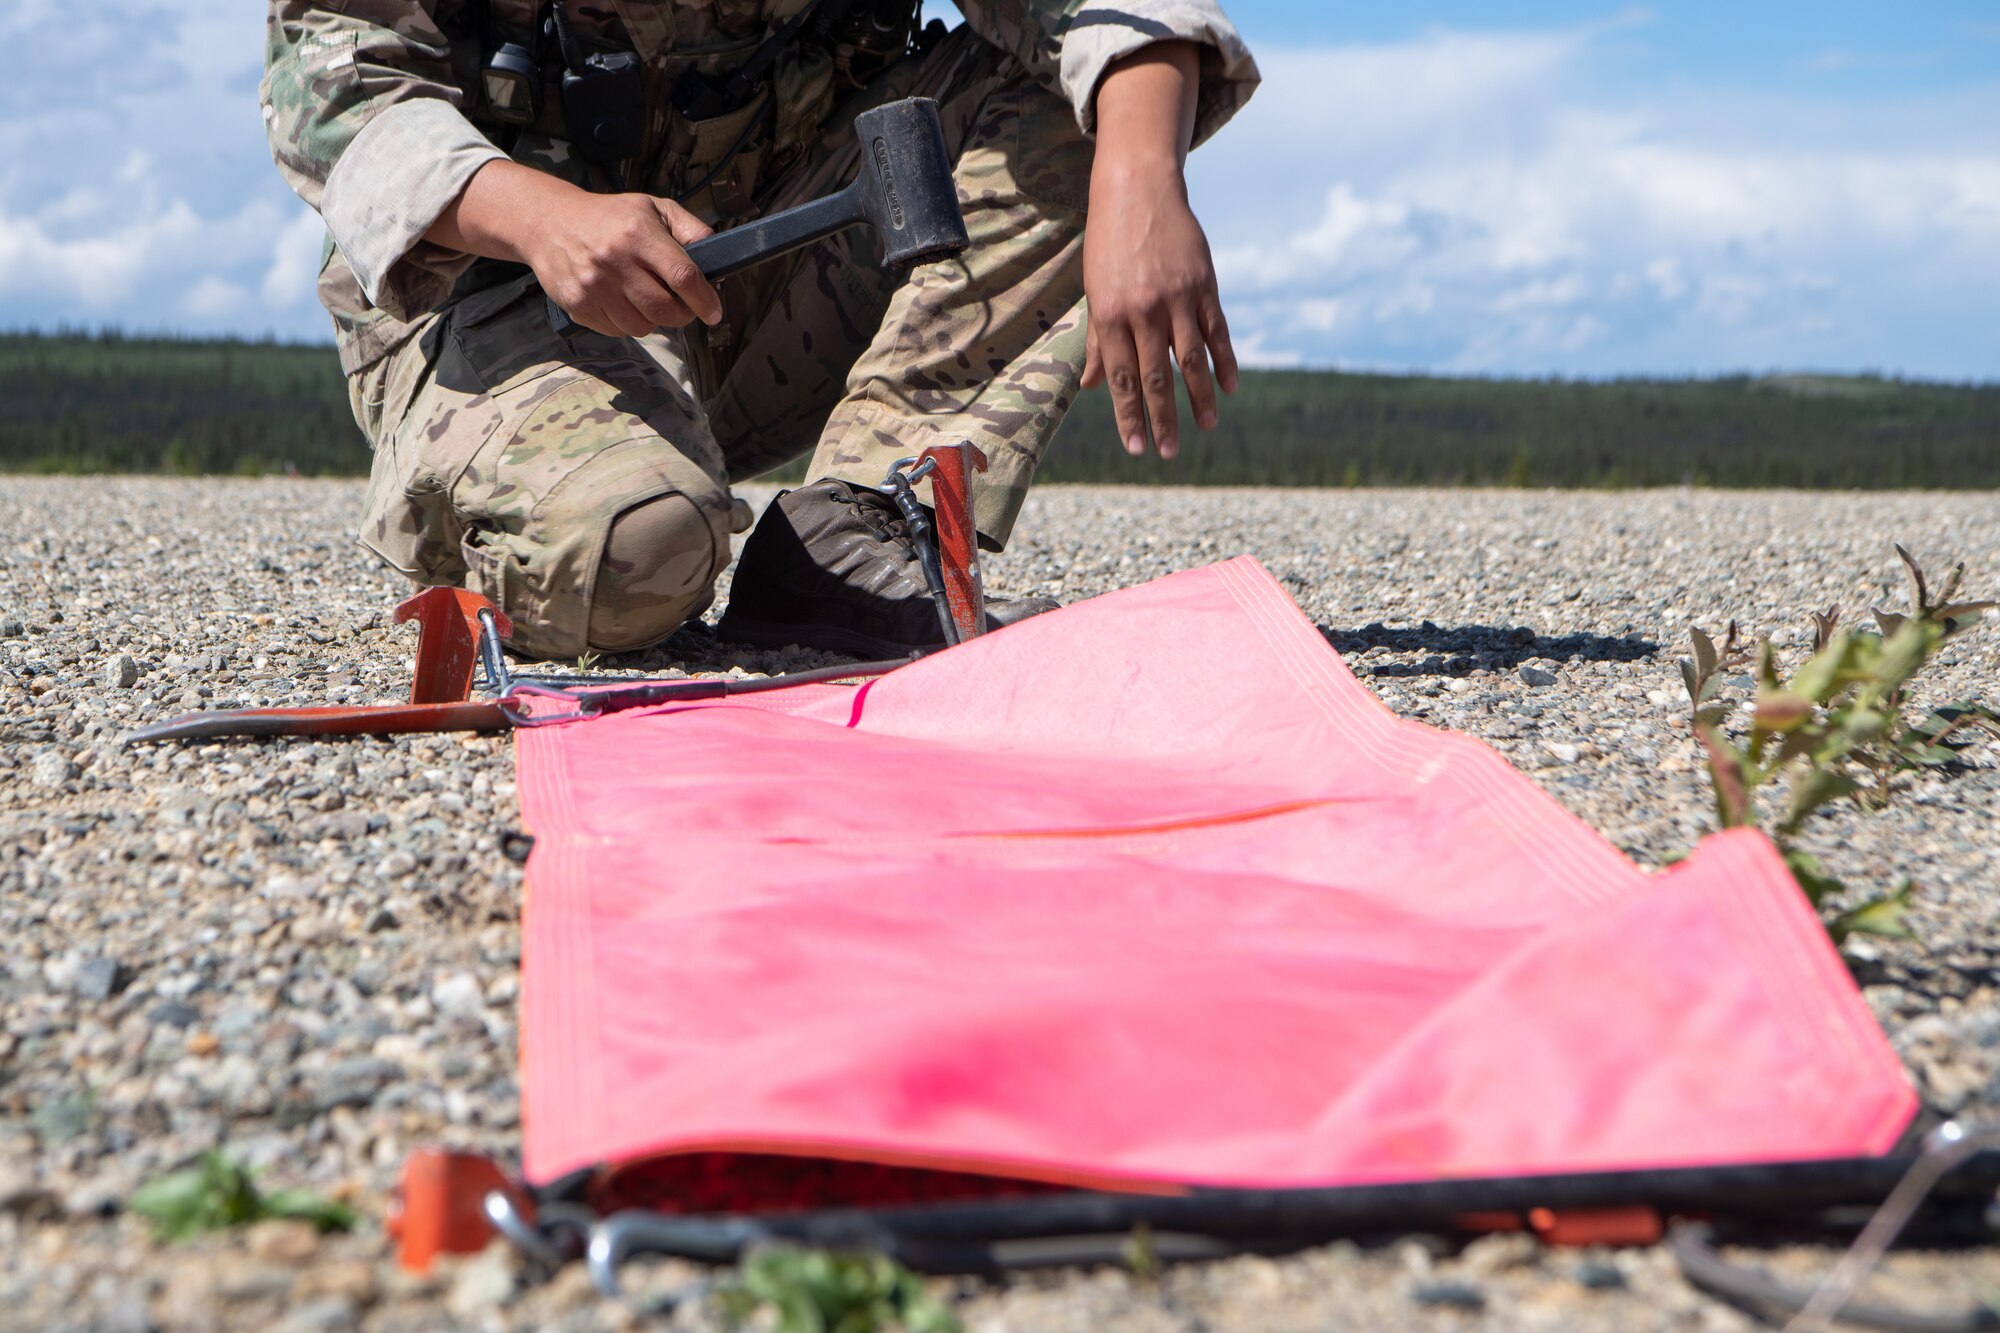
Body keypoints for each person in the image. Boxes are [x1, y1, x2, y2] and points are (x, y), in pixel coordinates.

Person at [263, 0, 1258, 659]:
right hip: (506, 286)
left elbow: (1109, 12)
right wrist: (541, 219)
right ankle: (551, 488)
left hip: (762, 269)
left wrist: (1138, 182)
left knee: (1102, 102)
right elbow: (340, 95)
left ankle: (857, 526)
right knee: (634, 554)